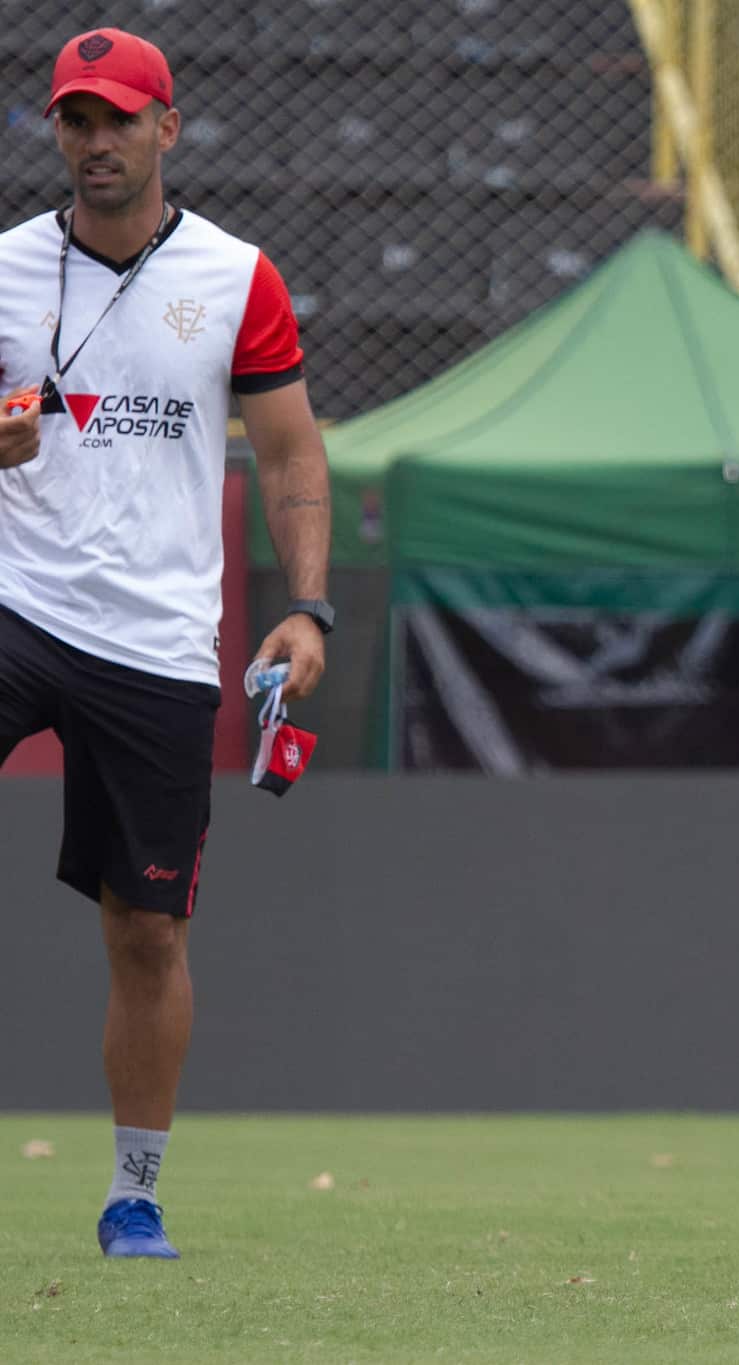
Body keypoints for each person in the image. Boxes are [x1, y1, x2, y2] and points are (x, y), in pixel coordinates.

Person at [0, 28, 333, 1260]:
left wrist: (306, 609)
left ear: (167, 130)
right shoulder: (6, 270)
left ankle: (134, 1193)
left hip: (155, 647)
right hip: (15, 605)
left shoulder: (239, 276)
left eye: (118, 120)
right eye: (76, 121)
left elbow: (294, 460)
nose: (96, 143)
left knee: (146, 931)